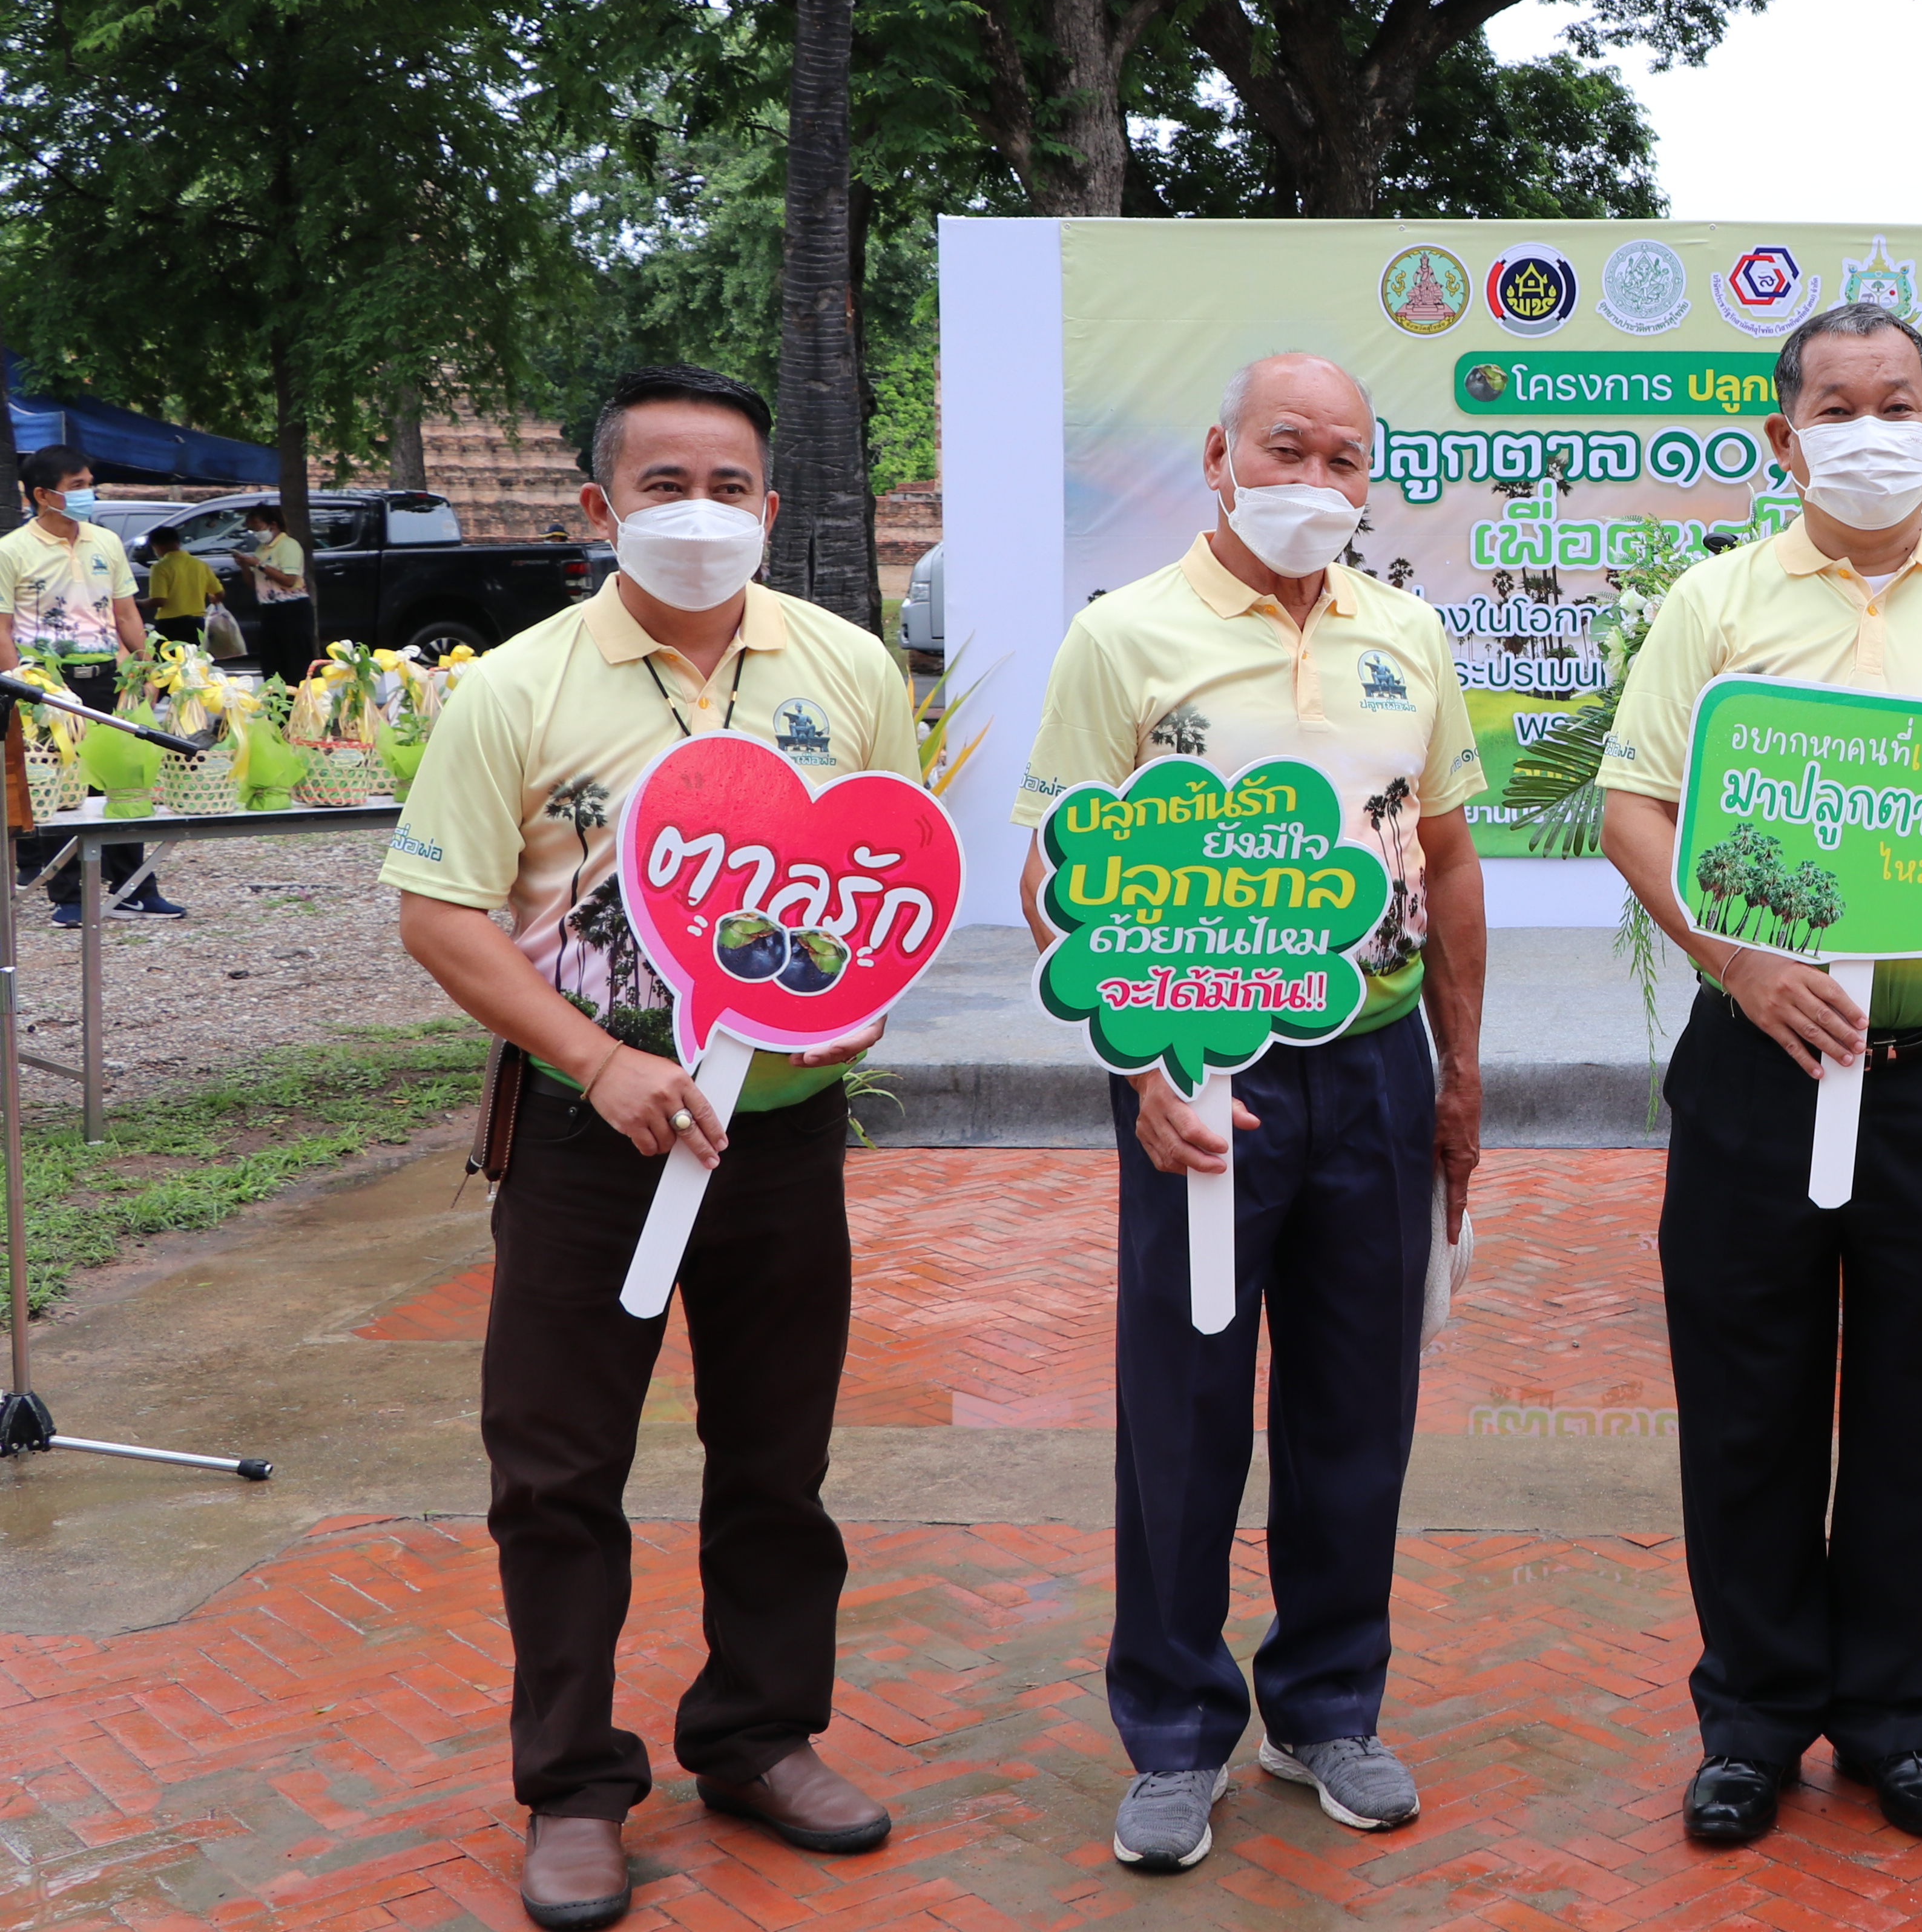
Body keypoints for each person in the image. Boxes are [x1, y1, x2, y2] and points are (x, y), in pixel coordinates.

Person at [383, 366, 916, 1930]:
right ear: (599, 509)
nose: (703, 514)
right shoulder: (519, 689)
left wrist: (856, 1015)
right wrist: (599, 1060)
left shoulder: (852, 670)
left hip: (783, 1146)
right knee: (555, 1474)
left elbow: (880, 876)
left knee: (778, 1462)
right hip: (587, 1147)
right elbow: (439, 913)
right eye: (665, 485)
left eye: (730, 486)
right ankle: (571, 1785)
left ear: (773, 504)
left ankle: (760, 1737)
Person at [1594, 302, 1922, 1850]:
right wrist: (1736, 961)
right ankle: (1750, 1718)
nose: (1868, 425)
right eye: (1837, 402)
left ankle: (1891, 1719)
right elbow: (1632, 804)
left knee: (1915, 1411)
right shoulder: (1718, 599)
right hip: (1756, 1070)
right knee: (1743, 1414)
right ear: (1783, 433)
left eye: (1897, 399)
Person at [1012, 351, 1488, 1875]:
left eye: (1347, 459)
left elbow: (1451, 858)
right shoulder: (1125, 635)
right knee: (1185, 1408)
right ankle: (1171, 1731)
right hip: (1204, 1071)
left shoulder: (1405, 630)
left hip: (1378, 1061)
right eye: (1289, 449)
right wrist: (1145, 1075)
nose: (1318, 482)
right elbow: (1052, 871)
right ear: (1218, 454)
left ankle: (1327, 1707)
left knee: (1359, 1406)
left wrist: (1459, 1077)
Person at [0, 444, 182, 925]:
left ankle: (135, 889)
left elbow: (125, 614)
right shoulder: (11, 551)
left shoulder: (104, 542)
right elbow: (1, 627)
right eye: (77, 486)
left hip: (108, 677)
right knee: (62, 788)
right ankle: (69, 898)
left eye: (88, 483)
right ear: (43, 495)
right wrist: (25, 686)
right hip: (48, 687)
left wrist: (146, 671)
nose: (88, 493)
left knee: (127, 780)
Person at [245, 498, 314, 682]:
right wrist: (245, 566)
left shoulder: (288, 545)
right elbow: (255, 584)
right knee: (272, 664)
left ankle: (297, 705)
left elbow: (290, 580)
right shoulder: (262, 549)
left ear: (272, 525)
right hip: (269, 609)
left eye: (258, 528)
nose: (256, 533)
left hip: (292, 609)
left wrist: (259, 565)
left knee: (294, 662)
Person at [142, 525, 216, 647]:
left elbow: (159, 600)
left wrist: (140, 603)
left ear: (156, 546)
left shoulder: (160, 567)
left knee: (169, 662)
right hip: (197, 623)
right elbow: (219, 593)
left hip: (170, 625)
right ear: (178, 542)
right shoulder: (200, 565)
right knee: (194, 661)